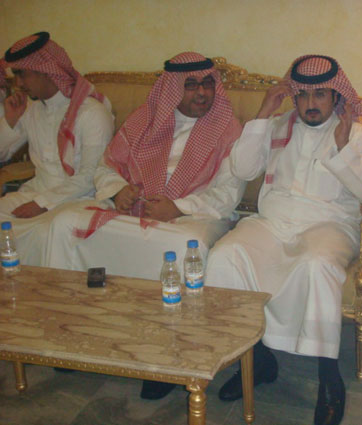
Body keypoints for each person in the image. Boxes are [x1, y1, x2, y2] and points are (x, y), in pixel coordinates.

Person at [44, 52, 245, 399]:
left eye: (207, 84)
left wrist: (178, 207)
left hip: (196, 216)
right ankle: (75, 331)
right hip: (136, 209)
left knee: (181, 248)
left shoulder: (227, 128)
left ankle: (168, 352)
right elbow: (106, 167)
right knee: (64, 223)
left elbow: (229, 193)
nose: (202, 93)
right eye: (191, 85)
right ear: (171, 90)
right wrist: (117, 190)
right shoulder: (143, 120)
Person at [205, 54, 362, 425]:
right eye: (302, 95)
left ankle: (329, 378)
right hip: (273, 223)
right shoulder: (277, 126)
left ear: (335, 97)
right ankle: (257, 358)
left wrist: (342, 148)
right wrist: (264, 112)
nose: (310, 104)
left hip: (329, 226)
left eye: (320, 95)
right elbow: (243, 168)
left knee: (317, 265)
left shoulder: (353, 132)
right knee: (226, 254)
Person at [0, 31, 114, 264]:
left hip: (81, 199)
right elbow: (3, 154)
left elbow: (91, 176)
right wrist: (10, 120)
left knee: (47, 233)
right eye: (15, 75)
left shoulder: (92, 112)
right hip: (36, 192)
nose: (18, 84)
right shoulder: (31, 109)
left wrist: (42, 204)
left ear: (46, 71)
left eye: (22, 74)